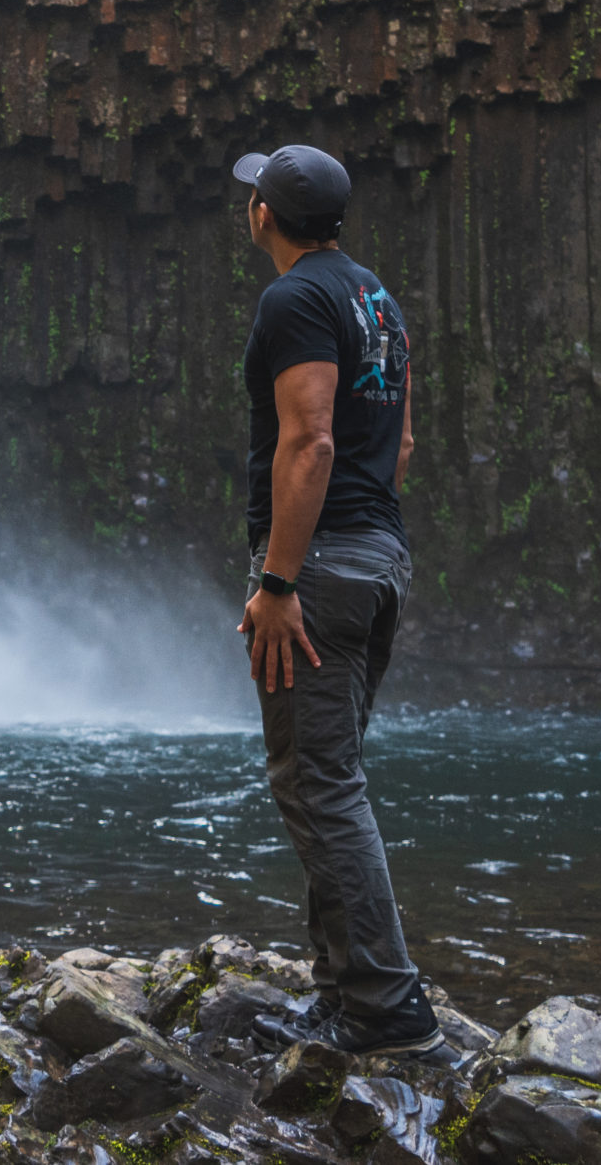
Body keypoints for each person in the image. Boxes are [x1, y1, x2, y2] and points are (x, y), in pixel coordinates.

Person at [230, 142, 449, 1062]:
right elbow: (395, 445)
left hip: (320, 567)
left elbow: (312, 442)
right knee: (330, 775)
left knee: (317, 782)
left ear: (263, 217)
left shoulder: (294, 299)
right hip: (380, 556)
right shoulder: (378, 300)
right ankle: (339, 988)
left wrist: (278, 582)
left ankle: (387, 1008)